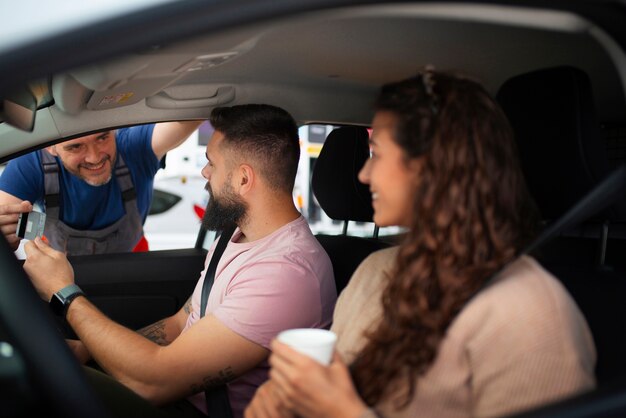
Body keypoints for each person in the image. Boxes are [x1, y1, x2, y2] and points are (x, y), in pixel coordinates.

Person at [245, 71, 597, 418]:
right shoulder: (376, 270)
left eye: (377, 153)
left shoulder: (528, 312)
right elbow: (335, 380)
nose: (363, 174)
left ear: (434, 166)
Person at [22, 104, 337, 418]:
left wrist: (64, 291)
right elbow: (180, 323)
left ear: (243, 179)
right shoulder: (236, 236)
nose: (204, 172)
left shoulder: (286, 273)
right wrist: (86, 350)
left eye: (212, 163)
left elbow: (153, 383)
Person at [0, 121, 202, 255]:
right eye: (76, 147)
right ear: (50, 148)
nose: (95, 157)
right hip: (59, 271)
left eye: (102, 137)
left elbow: (186, 119)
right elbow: (4, 211)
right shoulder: (32, 163)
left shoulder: (133, 148)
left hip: (134, 270)